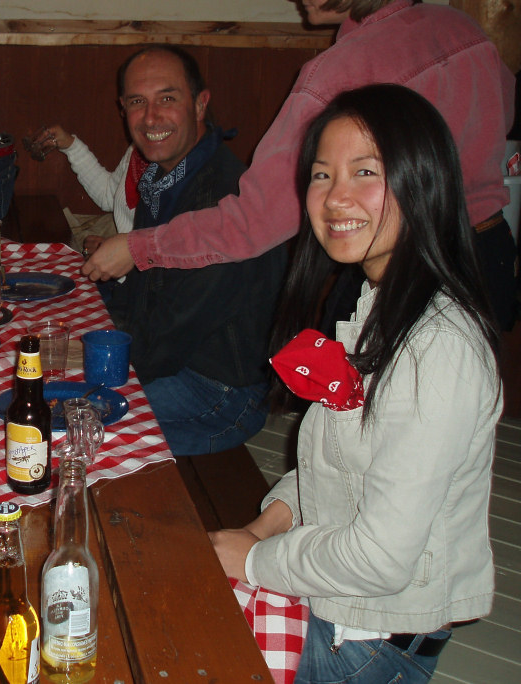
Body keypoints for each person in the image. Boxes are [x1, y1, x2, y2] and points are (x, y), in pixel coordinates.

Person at [211, 85, 502, 684]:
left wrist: (258, 559)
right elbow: (339, 463)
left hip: (370, 643)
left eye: (365, 172)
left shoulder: (438, 346)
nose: (335, 196)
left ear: (423, 181)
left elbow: (380, 559)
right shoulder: (379, 303)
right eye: (322, 174)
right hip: (342, 606)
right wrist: (263, 526)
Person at [82, 0, 517, 332]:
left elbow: (252, 222)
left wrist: (137, 247)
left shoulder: (337, 73)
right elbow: (505, 114)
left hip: (404, 272)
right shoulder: (465, 30)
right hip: (488, 252)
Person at [106, 46, 287, 455]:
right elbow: (145, 299)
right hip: (172, 358)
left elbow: (165, 341)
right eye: (137, 102)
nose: (150, 117)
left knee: (70, 421)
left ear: (201, 104)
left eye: (167, 98)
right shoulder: (162, 176)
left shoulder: (222, 201)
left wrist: (88, 357)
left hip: (221, 395)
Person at [25, 123, 143, 253]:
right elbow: (109, 195)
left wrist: (119, 251)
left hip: (137, 261)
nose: (149, 118)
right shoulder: (139, 147)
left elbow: (158, 245)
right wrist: (71, 146)